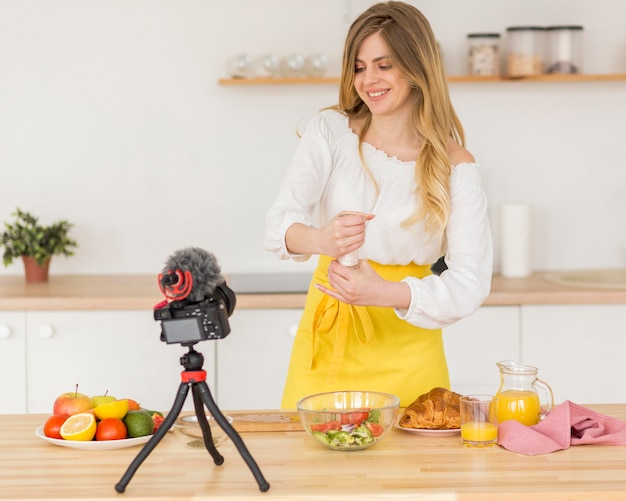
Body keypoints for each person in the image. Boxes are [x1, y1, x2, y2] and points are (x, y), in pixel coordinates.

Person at [264, 1, 493, 409]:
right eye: (359, 67)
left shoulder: (456, 165)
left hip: (409, 354)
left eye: (384, 65)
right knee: (311, 470)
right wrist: (320, 238)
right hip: (328, 343)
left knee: (409, 470)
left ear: (416, 67)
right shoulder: (331, 132)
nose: (368, 80)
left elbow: (470, 283)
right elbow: (279, 223)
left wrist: (386, 292)